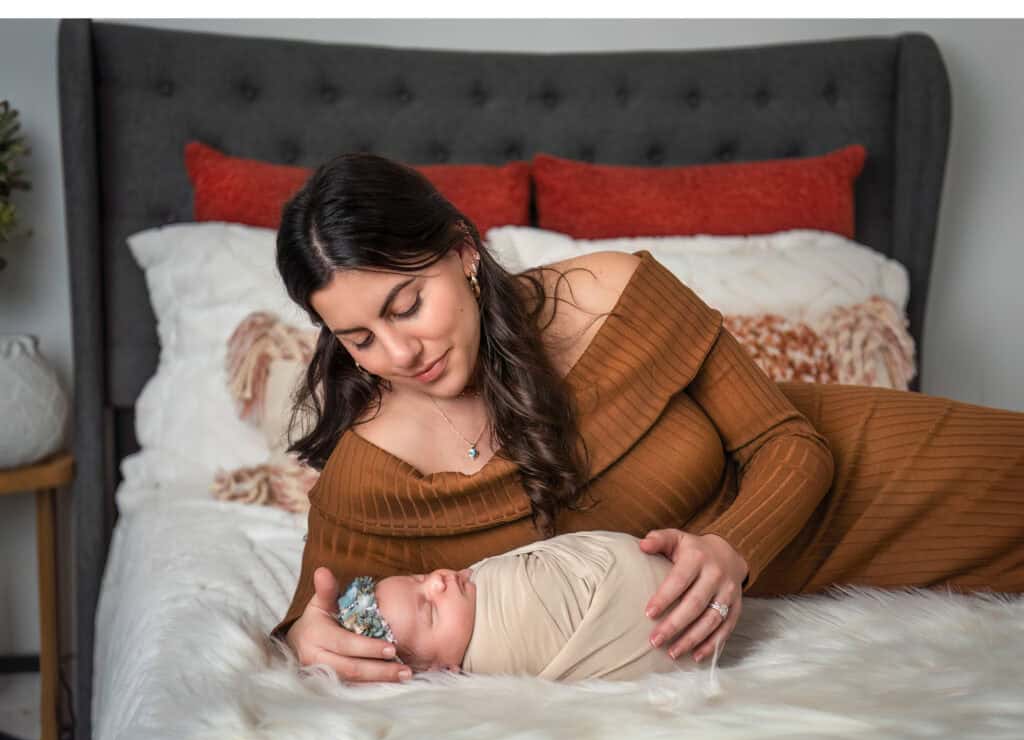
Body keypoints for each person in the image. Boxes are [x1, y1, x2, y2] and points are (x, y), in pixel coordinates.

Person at [273, 152, 1024, 685]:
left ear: (464, 252)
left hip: (881, 470)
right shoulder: (372, 472)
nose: (400, 352)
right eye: (359, 338)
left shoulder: (609, 295)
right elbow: (315, 615)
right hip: (822, 588)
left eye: (408, 305)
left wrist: (733, 547)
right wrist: (310, 635)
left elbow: (790, 441)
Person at [335, 531, 697, 681]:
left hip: (686, 583)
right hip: (658, 628)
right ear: (442, 670)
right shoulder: (494, 654)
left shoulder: (471, 588)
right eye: (431, 610)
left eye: (419, 578)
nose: (437, 581)